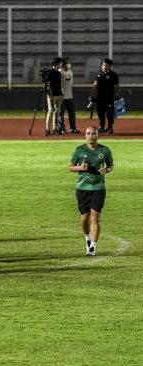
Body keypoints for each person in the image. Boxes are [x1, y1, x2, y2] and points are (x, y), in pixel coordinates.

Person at [68, 126, 113, 256]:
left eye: (94, 133)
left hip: (98, 188)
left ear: (98, 135)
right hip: (82, 188)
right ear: (85, 135)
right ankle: (87, 237)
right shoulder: (79, 150)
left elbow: (110, 165)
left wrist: (106, 170)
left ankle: (93, 247)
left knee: (95, 218)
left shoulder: (104, 150)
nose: (91, 136)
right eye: (88, 133)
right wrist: (80, 168)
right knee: (84, 219)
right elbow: (70, 167)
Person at [89, 58, 119, 134]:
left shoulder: (114, 75)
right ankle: (101, 127)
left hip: (109, 98)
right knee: (100, 113)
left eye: (106, 65)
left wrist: (117, 95)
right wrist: (92, 95)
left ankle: (110, 127)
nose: (104, 67)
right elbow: (95, 85)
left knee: (109, 113)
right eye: (103, 65)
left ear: (110, 66)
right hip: (100, 98)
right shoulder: (99, 73)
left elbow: (116, 86)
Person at [59, 57, 79, 134]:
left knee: (72, 113)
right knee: (61, 114)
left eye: (69, 62)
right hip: (62, 97)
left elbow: (71, 83)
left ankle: (73, 128)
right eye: (67, 62)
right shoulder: (60, 72)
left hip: (70, 96)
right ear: (63, 64)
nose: (69, 64)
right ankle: (62, 128)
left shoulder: (71, 72)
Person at [44, 57, 63, 136]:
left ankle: (55, 128)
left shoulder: (58, 73)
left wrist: (62, 93)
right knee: (50, 111)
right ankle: (48, 129)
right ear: (57, 64)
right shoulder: (50, 73)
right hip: (52, 95)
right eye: (60, 63)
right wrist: (50, 95)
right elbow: (48, 86)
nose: (61, 64)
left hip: (59, 95)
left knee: (57, 112)